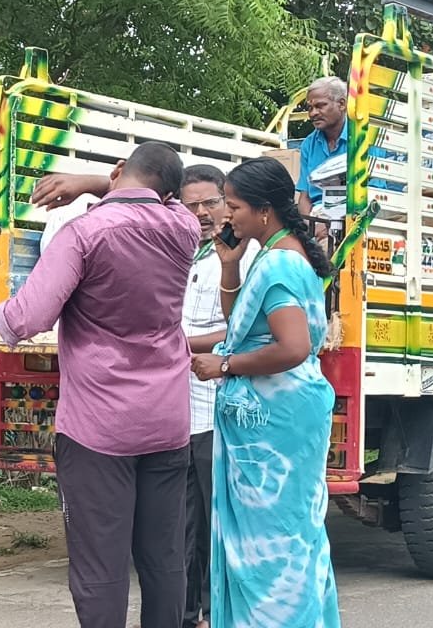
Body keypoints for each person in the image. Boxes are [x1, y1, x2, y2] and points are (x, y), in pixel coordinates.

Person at [0, 141, 199, 628]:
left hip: (100, 428)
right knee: (164, 560)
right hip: (167, 423)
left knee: (101, 565)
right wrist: (96, 183)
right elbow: (165, 196)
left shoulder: (83, 234)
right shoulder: (183, 229)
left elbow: (26, 318)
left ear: (121, 170)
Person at [189, 156, 341, 628]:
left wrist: (225, 365)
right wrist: (230, 268)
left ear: (263, 211)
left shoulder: (278, 263)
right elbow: (241, 325)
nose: (226, 216)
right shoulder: (277, 255)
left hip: (273, 432)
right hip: (280, 422)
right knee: (293, 539)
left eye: (233, 206)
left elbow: (292, 346)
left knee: (271, 549)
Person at [177, 165, 258, 628]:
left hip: (217, 412)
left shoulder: (240, 256)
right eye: (192, 205)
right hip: (174, 413)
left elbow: (245, 326)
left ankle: (218, 613)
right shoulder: (178, 255)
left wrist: (183, 343)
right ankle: (185, 615)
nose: (203, 213)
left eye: (211, 202)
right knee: (180, 525)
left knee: (217, 522)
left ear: (227, 203)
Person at [295, 76, 349, 217]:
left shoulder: (363, 138)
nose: (313, 113)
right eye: (310, 108)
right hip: (317, 219)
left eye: (320, 106)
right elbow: (304, 198)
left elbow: (375, 193)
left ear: (341, 104)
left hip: (355, 220)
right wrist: (312, 226)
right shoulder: (308, 144)